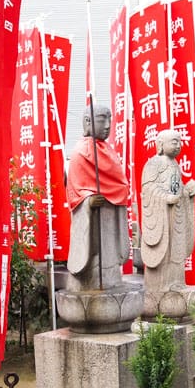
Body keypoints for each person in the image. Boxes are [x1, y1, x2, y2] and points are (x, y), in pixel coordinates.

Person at [65, 105, 130, 291]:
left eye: (109, 119)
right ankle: (92, 279)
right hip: (92, 220)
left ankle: (111, 277)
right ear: (87, 122)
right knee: (96, 258)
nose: (108, 125)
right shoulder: (79, 152)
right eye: (102, 119)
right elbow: (74, 189)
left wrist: (117, 193)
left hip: (110, 215)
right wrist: (88, 200)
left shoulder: (108, 151)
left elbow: (119, 183)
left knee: (109, 256)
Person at [139, 129, 195, 293]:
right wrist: (165, 198)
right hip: (162, 216)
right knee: (165, 251)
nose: (178, 145)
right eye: (174, 142)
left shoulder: (175, 165)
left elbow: (177, 189)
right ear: (160, 144)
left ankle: (176, 281)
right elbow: (148, 188)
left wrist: (188, 191)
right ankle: (161, 284)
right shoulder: (154, 163)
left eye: (180, 142)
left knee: (176, 250)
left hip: (176, 215)